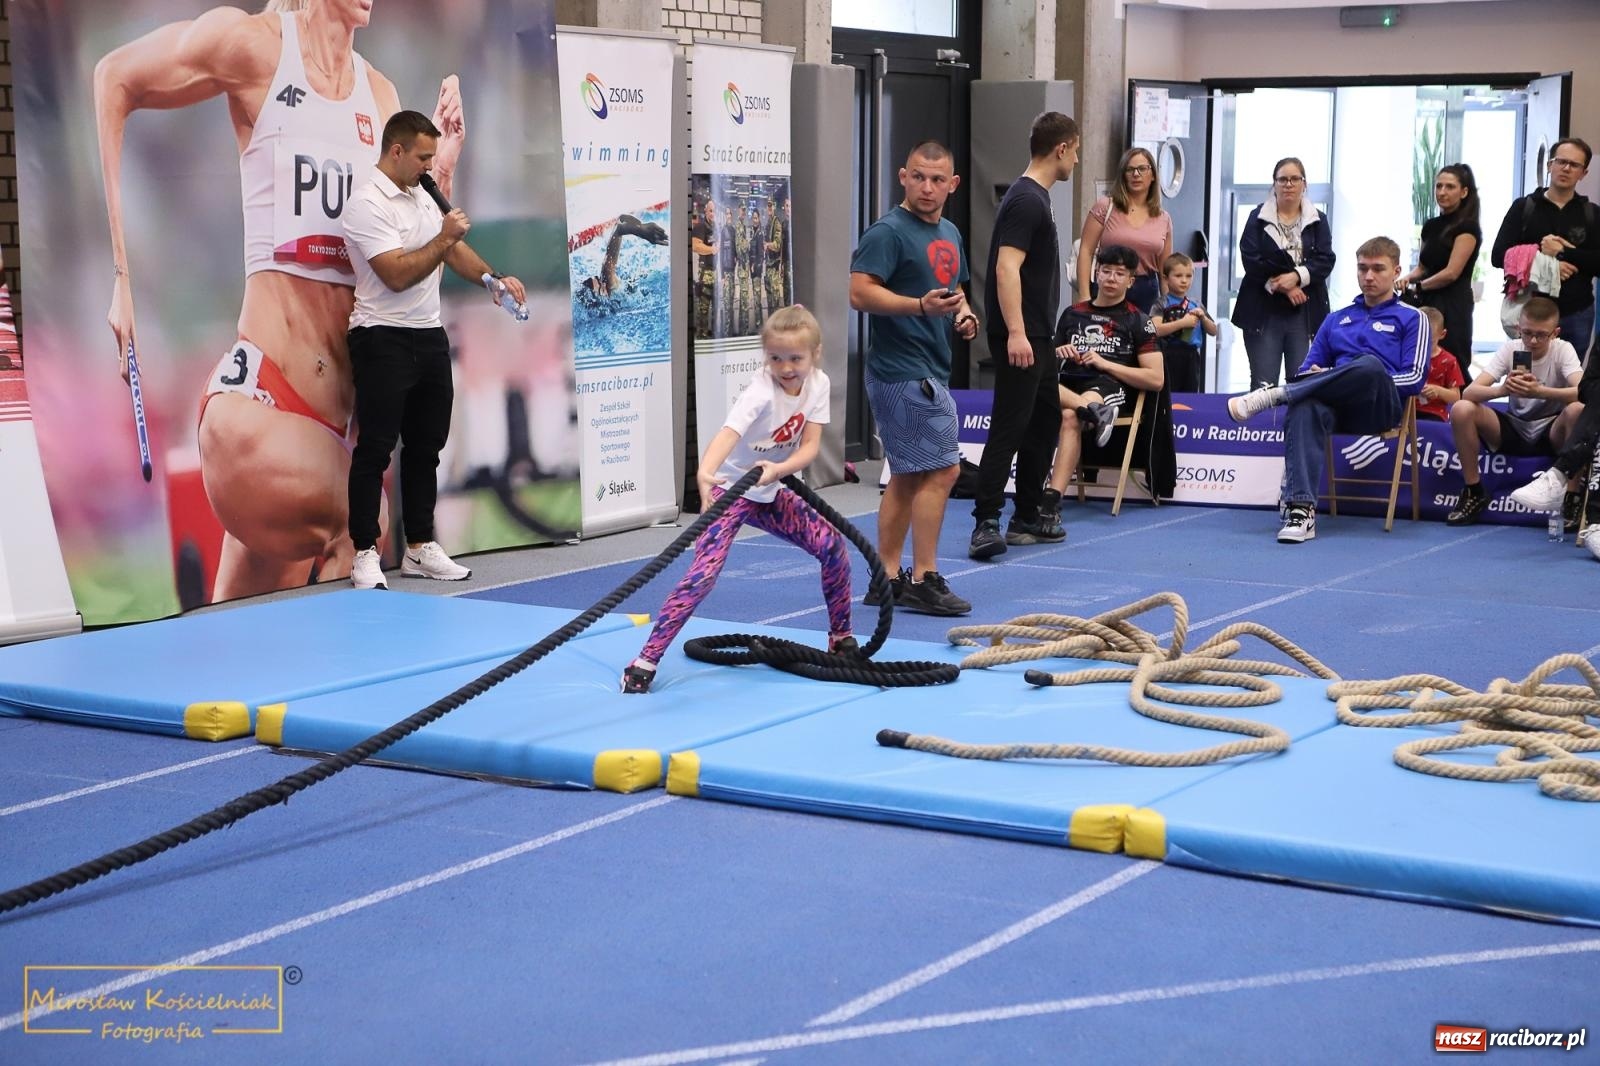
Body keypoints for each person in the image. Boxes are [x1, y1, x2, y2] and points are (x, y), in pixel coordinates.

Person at [95, 0, 465, 601]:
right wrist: (122, 276)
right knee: (363, 516)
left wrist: (442, 177)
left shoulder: (381, 96)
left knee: (239, 651)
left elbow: (407, 277)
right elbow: (114, 77)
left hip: (328, 429)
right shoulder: (255, 47)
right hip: (257, 409)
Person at [620, 306, 852, 693]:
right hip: (732, 490)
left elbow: (810, 447)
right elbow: (729, 433)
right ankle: (644, 660)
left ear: (814, 353)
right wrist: (705, 472)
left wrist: (778, 471)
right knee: (703, 575)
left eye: (795, 358)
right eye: (776, 358)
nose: (786, 367)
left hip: (771, 488)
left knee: (832, 546)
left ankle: (840, 637)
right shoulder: (761, 390)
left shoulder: (819, 384)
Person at [341, 110, 526, 590]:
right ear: (396, 151)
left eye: (432, 157)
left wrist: (491, 277)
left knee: (427, 447)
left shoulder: (420, 193)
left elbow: (450, 250)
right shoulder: (365, 203)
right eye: (423, 157)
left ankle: (419, 548)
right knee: (376, 448)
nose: (429, 166)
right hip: (381, 335)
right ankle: (364, 552)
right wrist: (444, 236)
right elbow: (397, 274)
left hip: (428, 335)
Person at [849, 140, 979, 616]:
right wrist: (918, 306)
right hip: (902, 372)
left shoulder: (948, 231)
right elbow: (860, 294)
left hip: (930, 365)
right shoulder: (887, 232)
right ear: (903, 176)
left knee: (907, 476)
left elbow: (956, 289)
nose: (927, 187)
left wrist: (964, 316)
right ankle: (923, 576)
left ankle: (885, 579)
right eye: (918, 177)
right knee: (944, 469)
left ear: (953, 184)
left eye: (937, 179)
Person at [1227, 236, 1429, 543]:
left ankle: (1276, 395)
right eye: (1362, 268)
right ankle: (1301, 510)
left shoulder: (1413, 318)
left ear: (1397, 271)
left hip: (1381, 409)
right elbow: (1306, 372)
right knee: (1304, 404)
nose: (1369, 276)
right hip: (1337, 409)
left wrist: (1338, 374)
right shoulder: (1336, 319)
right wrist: (1322, 377)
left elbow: (1414, 379)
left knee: (1370, 366)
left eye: (1378, 269)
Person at [969, 111, 1081, 561]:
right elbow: (1005, 267)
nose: (1076, 160)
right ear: (1062, 149)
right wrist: (1016, 332)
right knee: (1010, 424)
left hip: (1039, 332)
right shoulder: (1027, 200)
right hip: (1023, 334)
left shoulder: (1037, 198)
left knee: (1045, 420)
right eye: (1075, 151)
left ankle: (1028, 512)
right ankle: (986, 521)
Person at [1045, 244, 1165, 520]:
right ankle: (1096, 415)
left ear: (1131, 281)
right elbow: (1046, 366)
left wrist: (1104, 363)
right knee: (1036, 385)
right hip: (1067, 383)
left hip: (1108, 386)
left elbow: (1156, 379)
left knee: (1069, 416)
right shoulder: (1072, 313)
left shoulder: (1139, 320)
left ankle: (1051, 501)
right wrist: (1057, 353)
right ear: (1095, 274)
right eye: (1106, 271)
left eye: (1119, 273)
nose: (1111, 278)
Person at [1445, 296, 1583, 527]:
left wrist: (1541, 392)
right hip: (1513, 426)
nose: (1533, 340)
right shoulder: (1511, 348)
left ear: (1555, 332)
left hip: (1550, 429)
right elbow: (1469, 392)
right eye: (1527, 333)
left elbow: (1582, 392)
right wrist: (1502, 389)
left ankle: (1572, 496)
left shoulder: (1563, 350)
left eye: (1541, 334)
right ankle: (1474, 490)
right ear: (1518, 328)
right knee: (1461, 409)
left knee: (1577, 410)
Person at [1232, 157, 1336, 389]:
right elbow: (1251, 258)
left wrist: (1297, 277)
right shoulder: (1257, 218)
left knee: (1301, 383)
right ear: (1274, 184)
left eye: (1294, 179)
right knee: (1263, 385)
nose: (1288, 184)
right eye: (1282, 179)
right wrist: (1284, 285)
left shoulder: (1319, 220)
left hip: (1304, 311)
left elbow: (1325, 260)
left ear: (1304, 184)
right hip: (1263, 310)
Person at [1491, 138, 1599, 362]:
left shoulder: (1591, 213)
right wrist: (1548, 265)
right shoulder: (1524, 207)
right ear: (1550, 165)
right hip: (1529, 313)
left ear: (1584, 173)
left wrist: (1562, 253)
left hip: (1576, 311)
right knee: (1523, 382)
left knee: (1570, 384)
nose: (1566, 168)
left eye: (1574, 165)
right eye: (1561, 161)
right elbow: (1498, 255)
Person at [1401, 164, 1481, 372]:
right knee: (1422, 356)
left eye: (1450, 187)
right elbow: (1422, 267)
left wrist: (1419, 287)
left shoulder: (1468, 227)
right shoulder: (1430, 225)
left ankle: (1459, 404)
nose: (1442, 192)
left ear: (1464, 192)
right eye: (1439, 186)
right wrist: (1404, 280)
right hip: (1427, 300)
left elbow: (1452, 272)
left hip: (1453, 303)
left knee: (1453, 360)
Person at [1074, 147, 1171, 314]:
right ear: (1123, 175)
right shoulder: (1105, 206)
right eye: (1130, 169)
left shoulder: (1163, 218)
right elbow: (1086, 251)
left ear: (1153, 174)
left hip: (1146, 291)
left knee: (1143, 339)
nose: (1136, 174)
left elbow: (1165, 271)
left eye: (1142, 169)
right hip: (1109, 285)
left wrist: (1169, 308)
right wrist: (1084, 297)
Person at [1155, 252, 1216, 393]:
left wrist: (1203, 318)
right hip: (1168, 354)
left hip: (1191, 356)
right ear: (1166, 278)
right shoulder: (1161, 303)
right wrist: (1182, 323)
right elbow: (1156, 329)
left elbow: (1213, 331)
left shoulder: (1196, 303)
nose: (1184, 281)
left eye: (1188, 276)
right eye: (1178, 276)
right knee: (1169, 393)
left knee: (1191, 394)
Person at [1414, 306, 1464, 423]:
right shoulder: (1406, 356)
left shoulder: (1449, 361)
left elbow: (1456, 397)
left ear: (1442, 334)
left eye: (1430, 341)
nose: (1423, 345)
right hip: (1405, 411)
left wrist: (1438, 391)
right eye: (1417, 339)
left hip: (1434, 413)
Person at [690, 196, 717, 339]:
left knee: (715, 305)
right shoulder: (700, 227)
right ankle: (702, 334)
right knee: (704, 307)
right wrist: (711, 250)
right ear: (706, 211)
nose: (712, 213)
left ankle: (711, 334)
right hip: (705, 272)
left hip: (715, 272)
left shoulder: (716, 228)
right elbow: (695, 246)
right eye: (710, 211)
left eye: (714, 211)